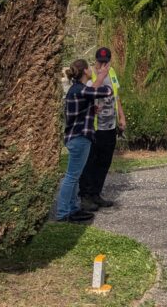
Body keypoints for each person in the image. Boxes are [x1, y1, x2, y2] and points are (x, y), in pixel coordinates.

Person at [56, 59, 113, 222]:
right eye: (89, 68)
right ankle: (62, 212)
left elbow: (79, 112)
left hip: (78, 137)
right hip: (79, 138)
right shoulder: (80, 90)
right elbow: (106, 91)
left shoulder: (77, 90)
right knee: (72, 176)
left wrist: (91, 110)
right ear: (85, 71)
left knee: (75, 175)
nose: (91, 70)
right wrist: (102, 76)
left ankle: (73, 209)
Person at [79, 47, 126, 212]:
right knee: (89, 162)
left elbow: (116, 97)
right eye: (100, 61)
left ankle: (96, 194)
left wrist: (121, 117)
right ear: (96, 60)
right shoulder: (89, 74)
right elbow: (85, 96)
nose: (103, 64)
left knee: (104, 162)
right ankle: (85, 196)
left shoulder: (112, 73)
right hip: (94, 127)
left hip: (110, 126)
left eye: (106, 61)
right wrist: (100, 77)